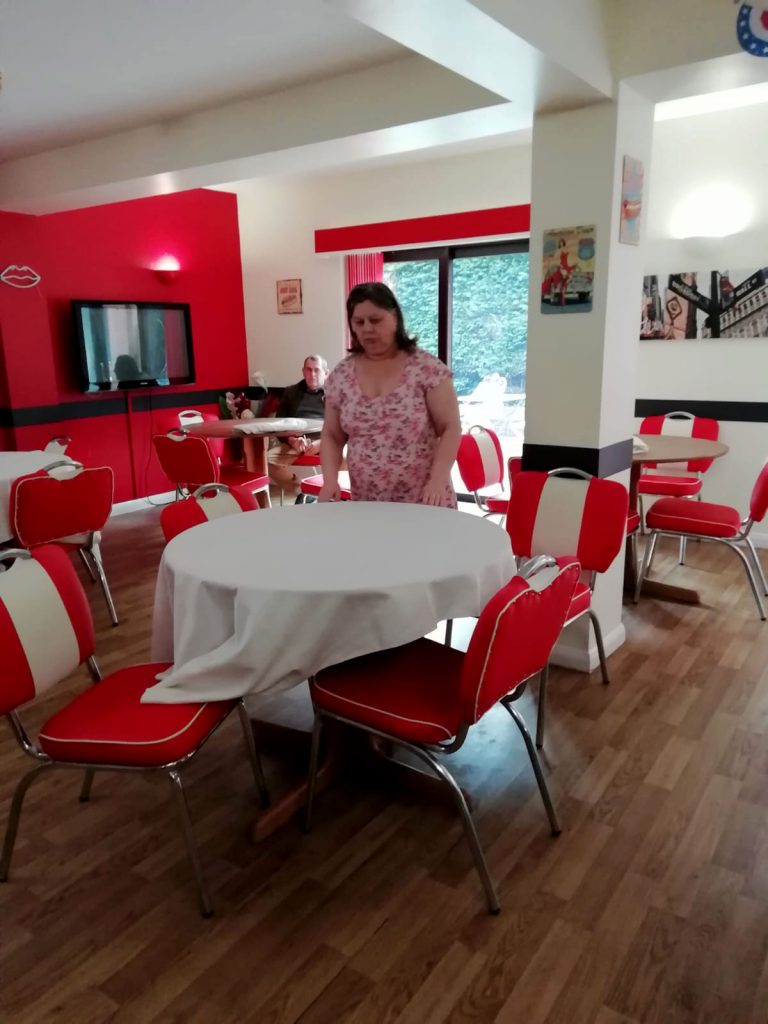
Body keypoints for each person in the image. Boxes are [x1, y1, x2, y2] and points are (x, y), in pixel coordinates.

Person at [319, 282, 461, 507]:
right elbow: (331, 436)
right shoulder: (341, 375)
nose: (367, 328)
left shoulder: (426, 368)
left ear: (394, 318)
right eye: (359, 322)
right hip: (368, 502)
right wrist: (330, 480)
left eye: (375, 320)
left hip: (425, 499)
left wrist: (438, 478)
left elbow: (450, 428)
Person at [267, 354, 328, 493]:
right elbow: (279, 424)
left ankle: (340, 498)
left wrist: (322, 443)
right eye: (309, 369)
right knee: (268, 460)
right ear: (303, 371)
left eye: (317, 370)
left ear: (326, 373)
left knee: (348, 457)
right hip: (298, 442)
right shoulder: (291, 392)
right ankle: (302, 491)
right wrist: (292, 440)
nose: (312, 374)